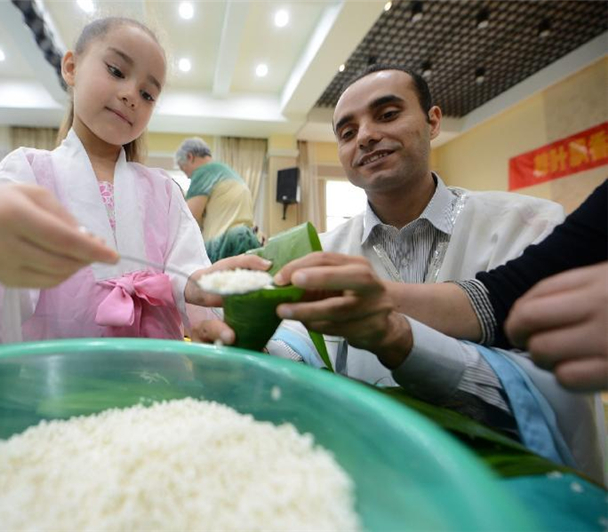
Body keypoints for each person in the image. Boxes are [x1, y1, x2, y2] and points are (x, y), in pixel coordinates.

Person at [192, 65, 605, 481]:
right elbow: (300, 347)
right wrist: (249, 350)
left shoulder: (528, 226)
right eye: (347, 132)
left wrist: (402, 338)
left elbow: (554, 391)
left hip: (507, 487)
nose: (366, 136)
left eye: (387, 114)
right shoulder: (322, 247)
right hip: (374, 482)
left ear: (434, 121)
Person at [0, 17, 266, 349]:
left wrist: (198, 289)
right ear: (71, 67)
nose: (132, 95)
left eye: (148, 94)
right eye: (116, 71)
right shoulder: (28, 171)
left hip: (154, 374)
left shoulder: (164, 190)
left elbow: (188, 268)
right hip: (57, 373)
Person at [387, 180, 607, 392]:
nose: (366, 139)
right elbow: (506, 294)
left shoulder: (529, 218)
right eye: (349, 138)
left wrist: (396, 329)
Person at [175, 137, 261, 262]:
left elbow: (189, 219)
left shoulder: (203, 172)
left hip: (222, 246)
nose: (188, 176)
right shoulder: (228, 172)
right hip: (247, 241)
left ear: (190, 157)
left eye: (184, 169)